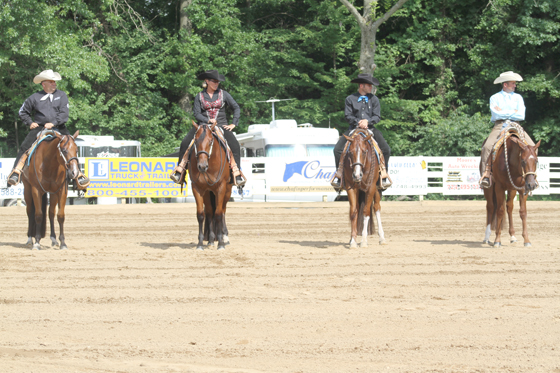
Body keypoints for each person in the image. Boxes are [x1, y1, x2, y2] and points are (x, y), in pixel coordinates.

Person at [7, 69, 89, 188]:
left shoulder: (62, 95)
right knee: (25, 146)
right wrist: (30, 123)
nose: (54, 83)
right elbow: (22, 112)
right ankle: (16, 172)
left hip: (59, 127)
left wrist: (53, 123)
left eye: (54, 81)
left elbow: (64, 114)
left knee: (70, 145)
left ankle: (78, 175)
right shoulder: (34, 97)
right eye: (51, 82)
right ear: (43, 84)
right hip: (40, 127)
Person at [171, 69, 245, 186]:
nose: (216, 83)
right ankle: (180, 172)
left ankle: (237, 174)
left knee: (235, 146)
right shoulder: (199, 96)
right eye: (214, 81)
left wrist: (233, 124)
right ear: (207, 81)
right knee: (185, 143)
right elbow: (197, 113)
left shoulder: (224, 94)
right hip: (202, 125)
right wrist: (207, 120)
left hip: (220, 125)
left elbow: (236, 107)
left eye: (217, 82)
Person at [331, 73, 391, 190]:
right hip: (353, 128)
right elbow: (348, 116)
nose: (371, 87)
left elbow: (377, 116)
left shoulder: (374, 99)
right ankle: (340, 176)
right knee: (337, 149)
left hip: (370, 128)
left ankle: (383, 176)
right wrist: (359, 122)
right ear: (362, 85)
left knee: (386, 149)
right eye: (369, 85)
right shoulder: (350, 99)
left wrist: (367, 122)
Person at [479, 71, 536, 188]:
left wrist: (504, 112)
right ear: (505, 84)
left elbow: (521, 116)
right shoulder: (495, 98)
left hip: (516, 125)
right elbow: (496, 115)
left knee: (532, 147)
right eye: (512, 83)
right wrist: (512, 112)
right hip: (499, 125)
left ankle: (531, 176)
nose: (515, 86)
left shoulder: (518, 98)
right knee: (487, 147)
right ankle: (487, 174)